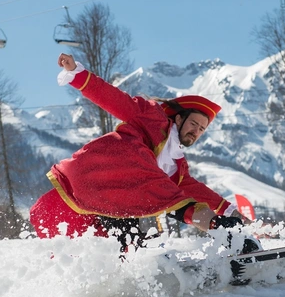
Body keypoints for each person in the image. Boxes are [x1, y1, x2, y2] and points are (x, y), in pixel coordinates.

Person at [30, 53, 261, 255]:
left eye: (202, 129)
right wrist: (76, 73)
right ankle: (218, 229)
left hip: (115, 202)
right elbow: (114, 98)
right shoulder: (151, 116)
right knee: (161, 191)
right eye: (194, 123)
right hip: (94, 179)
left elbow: (193, 190)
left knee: (124, 248)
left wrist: (234, 215)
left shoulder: (176, 167)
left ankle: (142, 272)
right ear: (178, 118)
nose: (196, 131)